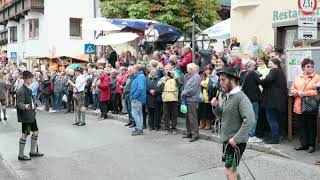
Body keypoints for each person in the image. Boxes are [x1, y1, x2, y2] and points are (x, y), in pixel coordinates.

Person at [211, 67, 254, 180]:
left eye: (223, 80)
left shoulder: (241, 98)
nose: (221, 83)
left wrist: (236, 139)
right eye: (220, 80)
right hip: (228, 141)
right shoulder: (228, 96)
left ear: (233, 80)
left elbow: (249, 120)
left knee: (231, 169)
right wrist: (215, 106)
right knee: (231, 169)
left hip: (235, 142)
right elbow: (222, 115)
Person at [292, 58, 320, 153]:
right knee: (301, 126)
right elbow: (292, 90)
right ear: (303, 68)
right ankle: (303, 144)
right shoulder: (297, 77)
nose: (310, 68)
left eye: (312, 66)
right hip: (298, 105)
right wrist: (297, 92)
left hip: (310, 105)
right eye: (308, 66)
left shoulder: (317, 77)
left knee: (311, 126)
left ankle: (312, 145)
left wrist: (305, 93)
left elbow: (316, 91)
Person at [16, 70, 44, 161]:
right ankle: (21, 155)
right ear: (25, 79)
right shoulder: (21, 90)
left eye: (31, 77)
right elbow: (19, 104)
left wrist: (33, 107)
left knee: (35, 132)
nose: (31, 79)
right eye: (29, 78)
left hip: (31, 114)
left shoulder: (28, 88)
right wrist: (25, 106)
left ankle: (32, 151)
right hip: (26, 116)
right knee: (25, 134)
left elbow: (31, 100)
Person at [261, 58, 287, 144]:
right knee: (277, 119)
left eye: (270, 63)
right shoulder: (280, 72)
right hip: (278, 101)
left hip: (271, 101)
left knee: (272, 119)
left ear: (276, 64)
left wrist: (262, 80)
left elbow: (267, 80)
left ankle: (275, 138)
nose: (269, 64)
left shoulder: (274, 71)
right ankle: (279, 135)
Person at [240, 61, 263, 143]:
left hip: (245, 99)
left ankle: (246, 134)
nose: (255, 67)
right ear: (250, 67)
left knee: (246, 117)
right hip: (253, 99)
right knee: (254, 117)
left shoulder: (242, 73)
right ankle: (251, 135)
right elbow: (259, 82)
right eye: (254, 66)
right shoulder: (252, 73)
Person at [181, 63, 201, 142]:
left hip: (192, 100)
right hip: (188, 100)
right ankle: (189, 132)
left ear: (191, 69)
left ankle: (195, 134)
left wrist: (184, 93)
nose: (187, 70)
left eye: (188, 69)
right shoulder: (191, 76)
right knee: (188, 118)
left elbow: (192, 89)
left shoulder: (196, 77)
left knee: (192, 118)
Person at [158, 64, 181, 133]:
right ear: (165, 70)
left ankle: (173, 127)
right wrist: (164, 81)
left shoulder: (175, 77)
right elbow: (159, 88)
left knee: (174, 114)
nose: (168, 71)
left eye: (169, 69)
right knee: (166, 114)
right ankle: (167, 127)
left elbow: (180, 85)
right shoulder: (162, 78)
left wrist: (175, 78)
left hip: (174, 98)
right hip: (166, 98)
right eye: (166, 69)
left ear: (172, 70)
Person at [130, 64, 146, 136]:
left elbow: (141, 88)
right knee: (139, 114)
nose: (133, 70)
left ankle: (139, 128)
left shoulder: (140, 76)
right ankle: (139, 128)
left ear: (137, 70)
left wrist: (134, 96)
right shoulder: (139, 76)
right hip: (138, 98)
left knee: (135, 114)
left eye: (134, 69)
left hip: (137, 98)